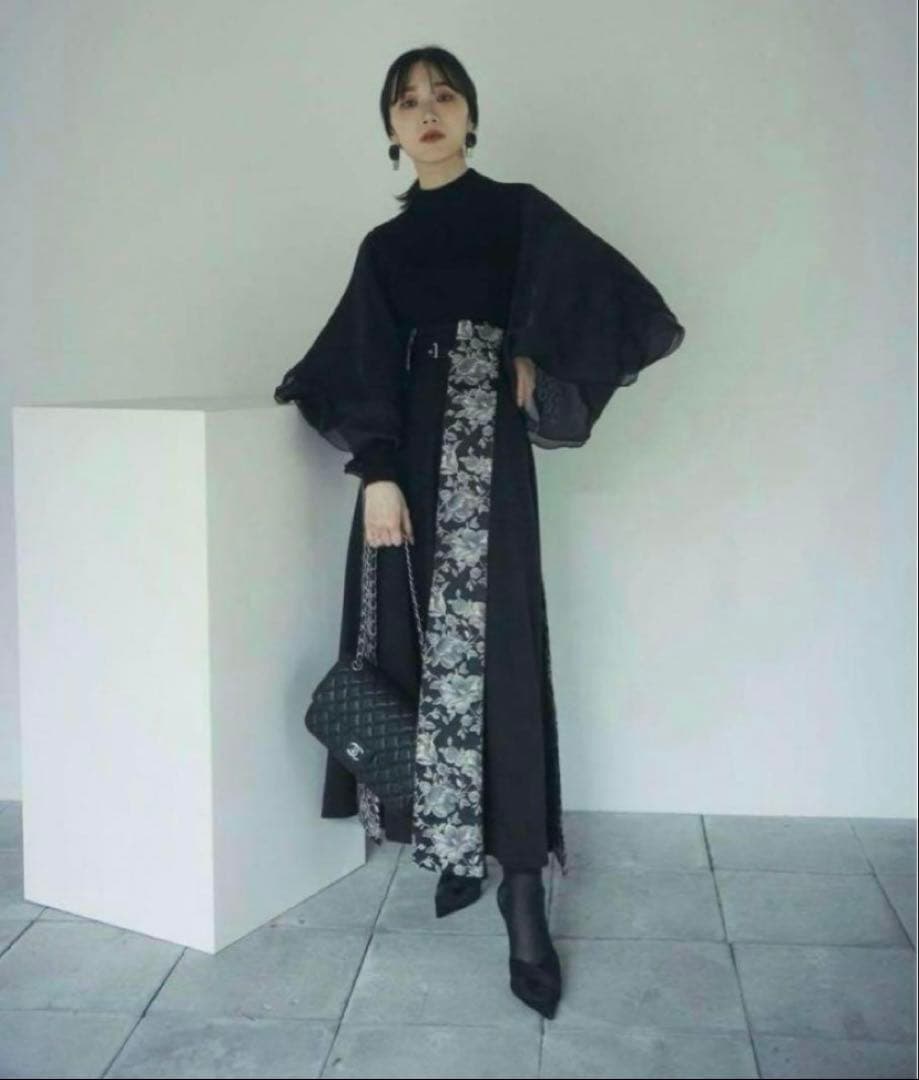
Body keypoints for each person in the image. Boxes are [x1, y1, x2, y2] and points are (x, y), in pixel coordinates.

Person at [274, 46, 686, 1021]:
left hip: (489, 466)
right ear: (389, 129)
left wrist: (532, 364)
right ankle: (453, 846)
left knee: (500, 665)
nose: (427, 112)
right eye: (407, 102)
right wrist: (377, 474)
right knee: (414, 657)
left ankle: (521, 889)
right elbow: (358, 364)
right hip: (406, 471)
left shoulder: (519, 214)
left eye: (443, 95)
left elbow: (616, 305)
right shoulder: (384, 248)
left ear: (469, 114)